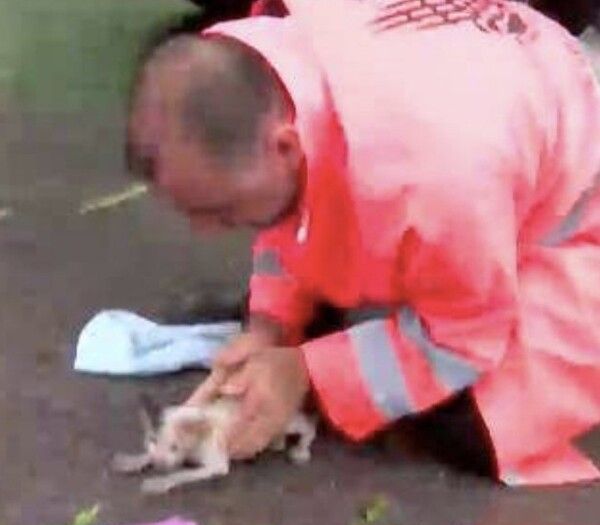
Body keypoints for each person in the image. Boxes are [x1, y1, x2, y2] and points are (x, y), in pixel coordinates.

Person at [125, 0, 600, 486]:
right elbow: (291, 216)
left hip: (581, 211)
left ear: (284, 146)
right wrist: (270, 325)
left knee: (469, 422)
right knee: (339, 331)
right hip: (502, 95)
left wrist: (306, 374)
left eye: (221, 211)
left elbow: (464, 334)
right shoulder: (282, 74)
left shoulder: (432, 178)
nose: (208, 232)